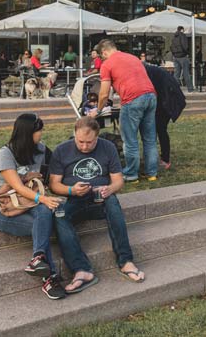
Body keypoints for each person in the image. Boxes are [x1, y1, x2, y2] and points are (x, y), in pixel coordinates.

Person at [50, 117, 145, 294]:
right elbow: (54, 185)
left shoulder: (108, 147)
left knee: (112, 202)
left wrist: (109, 189)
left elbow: (118, 180)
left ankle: (125, 261)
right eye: (80, 142)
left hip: (101, 198)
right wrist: (71, 190)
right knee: (59, 214)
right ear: (74, 134)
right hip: (75, 199)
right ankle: (81, 269)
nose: (85, 146)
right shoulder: (62, 150)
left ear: (97, 136)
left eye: (90, 142)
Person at [0, 113, 65, 300]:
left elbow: (53, 172)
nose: (41, 133)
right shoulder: (6, 153)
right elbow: (17, 187)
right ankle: (50, 278)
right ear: (27, 133)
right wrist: (43, 198)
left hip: (29, 204)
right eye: (39, 130)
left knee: (44, 213)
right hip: (4, 210)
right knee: (42, 224)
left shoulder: (41, 150)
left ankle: (38, 258)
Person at [95, 39, 159, 182]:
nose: (102, 59)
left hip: (132, 99)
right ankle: (151, 173)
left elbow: (104, 93)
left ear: (104, 52)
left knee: (130, 140)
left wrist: (98, 110)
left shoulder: (107, 64)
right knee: (149, 139)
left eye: (101, 56)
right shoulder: (133, 58)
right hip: (151, 96)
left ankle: (131, 174)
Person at [144, 62, 186, 170]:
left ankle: (164, 159)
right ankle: (159, 158)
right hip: (166, 99)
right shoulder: (152, 70)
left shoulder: (147, 72)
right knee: (159, 129)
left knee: (160, 129)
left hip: (166, 101)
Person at [170, 26, 193, 93]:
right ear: (182, 30)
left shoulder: (174, 37)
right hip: (183, 56)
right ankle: (190, 89)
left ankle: (175, 89)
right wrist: (187, 53)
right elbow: (185, 46)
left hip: (175, 57)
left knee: (176, 74)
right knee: (186, 73)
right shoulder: (183, 36)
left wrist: (174, 54)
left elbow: (171, 47)